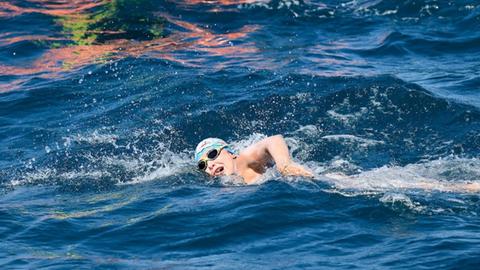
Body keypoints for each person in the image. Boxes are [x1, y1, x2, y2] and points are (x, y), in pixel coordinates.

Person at [194, 135, 313, 184]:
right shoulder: (225, 186)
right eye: (202, 165)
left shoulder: (243, 160)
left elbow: (274, 139)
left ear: (230, 154)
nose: (209, 165)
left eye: (212, 154)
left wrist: (285, 165)